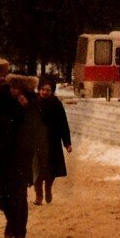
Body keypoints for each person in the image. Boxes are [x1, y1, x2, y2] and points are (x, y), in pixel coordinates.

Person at [0, 59, 33, 238]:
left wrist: (25, 104)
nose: (1, 79)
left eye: (4, 75)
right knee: (2, 196)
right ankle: (12, 221)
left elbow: (34, 117)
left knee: (19, 194)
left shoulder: (19, 92)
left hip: (19, 152)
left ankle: (20, 234)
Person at [34, 76, 72, 205]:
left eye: (48, 90)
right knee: (36, 170)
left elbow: (63, 124)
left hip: (52, 142)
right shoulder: (33, 103)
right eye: (43, 89)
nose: (45, 92)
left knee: (51, 169)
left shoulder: (56, 104)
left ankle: (48, 188)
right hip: (36, 142)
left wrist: (67, 143)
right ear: (39, 90)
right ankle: (38, 194)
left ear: (52, 91)